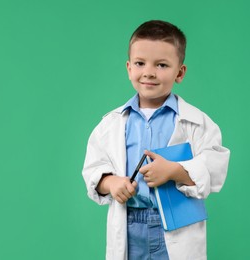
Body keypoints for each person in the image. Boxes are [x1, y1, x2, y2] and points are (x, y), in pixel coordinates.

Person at [82, 20, 230, 260]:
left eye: (161, 65)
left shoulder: (198, 123)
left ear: (179, 72)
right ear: (129, 68)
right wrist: (112, 184)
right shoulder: (110, 124)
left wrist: (174, 171)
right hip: (130, 224)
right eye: (140, 63)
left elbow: (214, 167)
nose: (149, 72)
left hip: (174, 225)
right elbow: (93, 170)